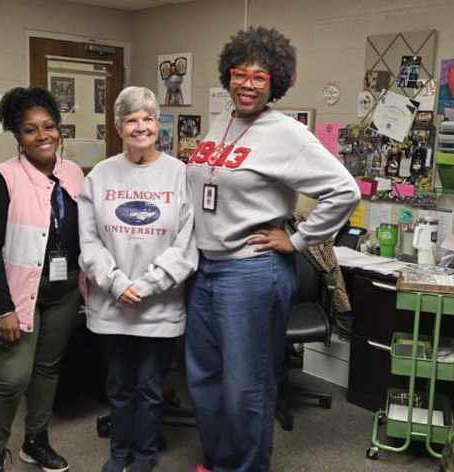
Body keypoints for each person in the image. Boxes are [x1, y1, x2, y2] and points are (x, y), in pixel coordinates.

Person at [184, 26, 360, 472]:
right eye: (240, 74)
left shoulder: (287, 133)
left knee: (246, 385)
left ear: (275, 83)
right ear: (228, 75)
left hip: (251, 272)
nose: (247, 84)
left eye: (259, 77)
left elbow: (344, 190)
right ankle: (219, 459)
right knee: (204, 378)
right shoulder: (220, 123)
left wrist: (298, 239)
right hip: (205, 268)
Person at [79, 86, 197, 472]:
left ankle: (144, 457)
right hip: (112, 305)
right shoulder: (99, 175)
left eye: (148, 118)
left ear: (158, 124)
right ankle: (119, 455)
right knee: (118, 387)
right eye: (132, 119)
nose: (141, 126)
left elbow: (187, 243)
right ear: (118, 127)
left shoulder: (180, 174)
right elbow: (89, 241)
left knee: (149, 389)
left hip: (159, 307)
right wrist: (116, 283)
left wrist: (146, 285)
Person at [0, 87, 84, 472]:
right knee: (11, 378)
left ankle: (36, 441)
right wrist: (4, 307)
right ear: (16, 136)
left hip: (64, 290)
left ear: (59, 129)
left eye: (49, 126)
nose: (42, 136)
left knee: (47, 370)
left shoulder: (73, 173)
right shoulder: (3, 178)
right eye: (30, 130)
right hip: (18, 295)